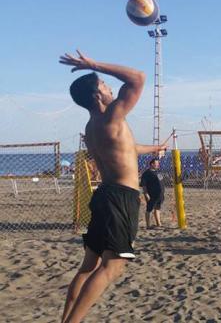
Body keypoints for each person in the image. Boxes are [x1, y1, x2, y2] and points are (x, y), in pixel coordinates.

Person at [59, 50, 166, 323]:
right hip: (120, 198)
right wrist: (93, 64)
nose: (109, 88)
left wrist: (156, 148)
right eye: (105, 85)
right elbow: (138, 78)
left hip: (105, 196)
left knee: (88, 267)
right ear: (97, 96)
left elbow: (126, 149)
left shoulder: (93, 126)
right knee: (112, 267)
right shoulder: (112, 116)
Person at [140, 158, 165, 229]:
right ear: (152, 164)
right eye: (156, 164)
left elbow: (161, 181)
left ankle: (158, 224)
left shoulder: (158, 172)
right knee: (149, 209)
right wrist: (146, 194)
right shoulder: (146, 173)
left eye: (158, 163)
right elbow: (144, 185)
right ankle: (148, 225)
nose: (158, 165)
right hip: (152, 195)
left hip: (160, 195)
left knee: (157, 209)